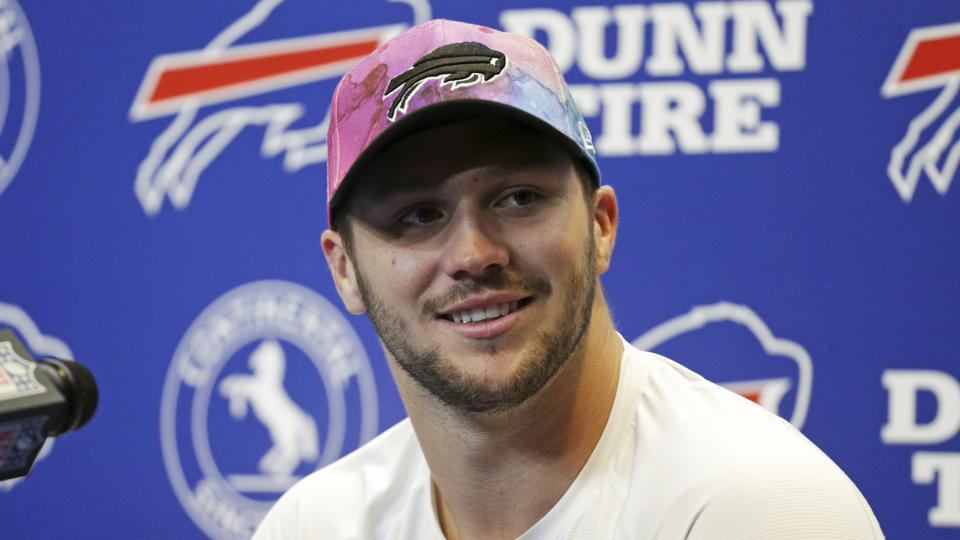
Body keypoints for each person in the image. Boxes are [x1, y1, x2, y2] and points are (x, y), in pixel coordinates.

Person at [253, 19, 883, 539]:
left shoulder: (760, 510)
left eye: (519, 197)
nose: (475, 254)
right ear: (345, 270)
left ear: (600, 225)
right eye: (417, 215)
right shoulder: (314, 525)